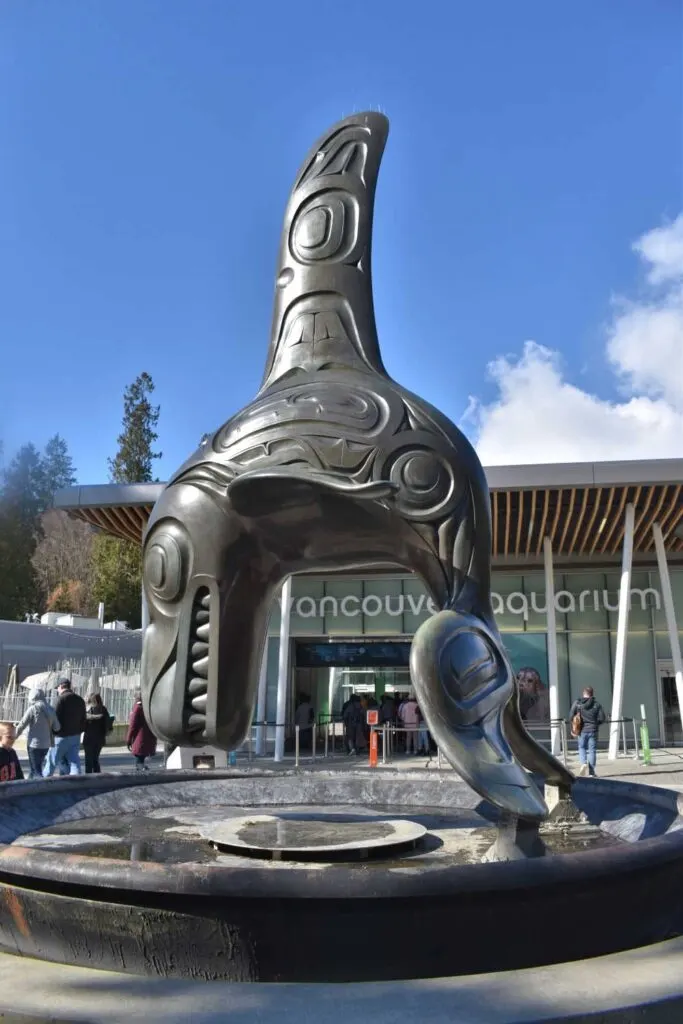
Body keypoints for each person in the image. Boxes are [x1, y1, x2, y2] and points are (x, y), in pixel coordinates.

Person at [14, 688, 60, 779]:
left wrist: (14, 736)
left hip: (33, 745)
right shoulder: (51, 709)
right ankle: (28, 787)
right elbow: (57, 727)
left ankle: (41, 789)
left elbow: (22, 724)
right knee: (34, 768)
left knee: (36, 772)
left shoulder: (33, 709)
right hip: (46, 745)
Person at [569, 686, 606, 777]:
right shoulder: (597, 704)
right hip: (593, 730)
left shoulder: (577, 703)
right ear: (592, 694)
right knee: (592, 750)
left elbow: (570, 716)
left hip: (581, 730)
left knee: (582, 747)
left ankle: (583, 763)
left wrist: (574, 725)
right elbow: (602, 718)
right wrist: (596, 724)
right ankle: (592, 773)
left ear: (584, 693)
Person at [54, 678, 87, 776]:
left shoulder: (60, 699)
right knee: (73, 760)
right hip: (75, 735)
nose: (57, 690)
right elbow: (83, 718)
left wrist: (54, 732)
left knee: (58, 759)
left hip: (61, 735)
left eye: (57, 688)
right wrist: (80, 730)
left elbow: (55, 718)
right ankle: (74, 779)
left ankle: (66, 777)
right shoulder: (79, 699)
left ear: (61, 686)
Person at [126, 691, 157, 771]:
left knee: (139, 760)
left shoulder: (137, 707)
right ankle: (142, 769)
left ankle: (141, 774)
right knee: (141, 759)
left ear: (137, 698)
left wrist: (128, 739)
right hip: (149, 737)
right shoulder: (150, 706)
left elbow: (132, 725)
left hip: (139, 738)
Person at [83, 693, 112, 774]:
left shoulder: (87, 710)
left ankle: (88, 777)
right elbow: (109, 724)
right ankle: (98, 776)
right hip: (100, 738)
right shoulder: (103, 709)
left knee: (88, 760)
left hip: (89, 738)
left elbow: (82, 723)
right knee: (95, 759)